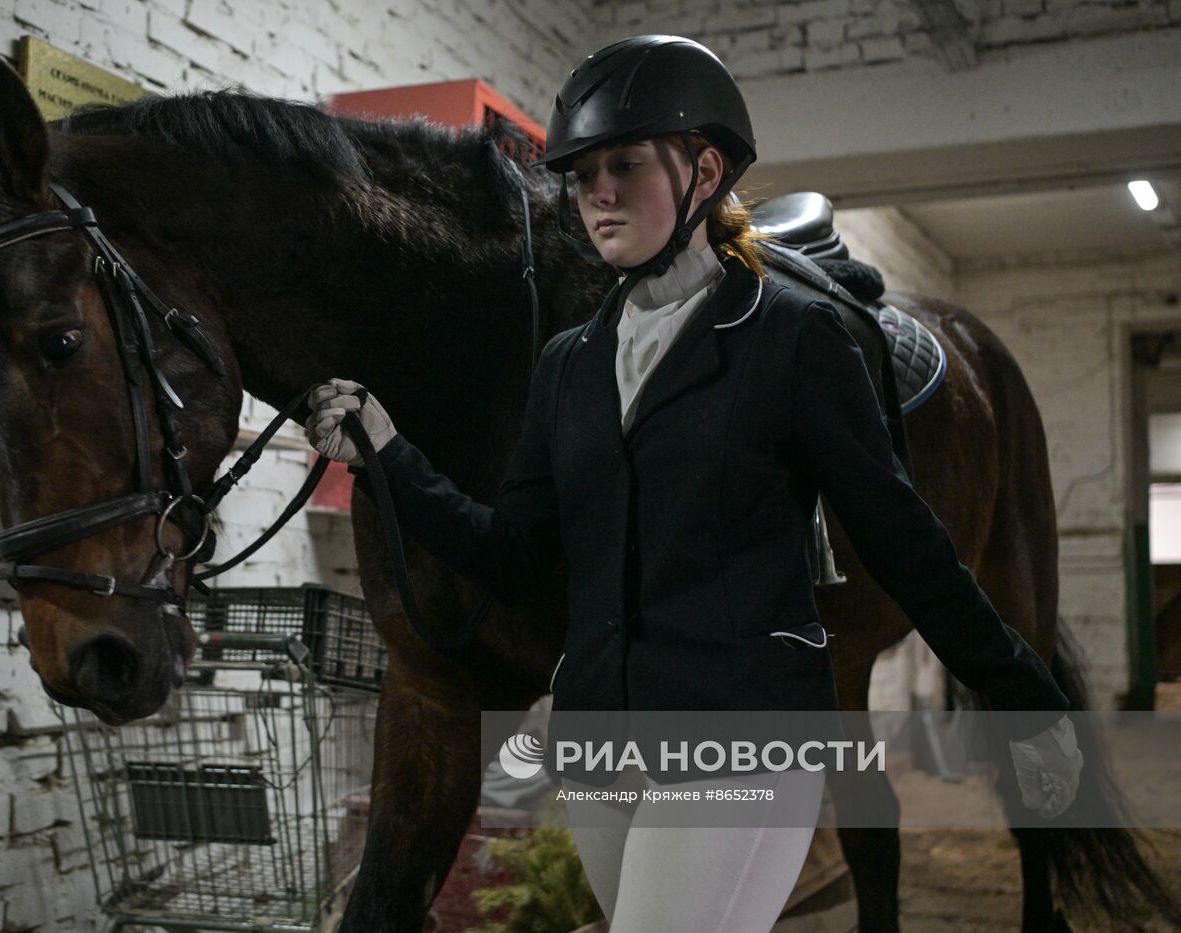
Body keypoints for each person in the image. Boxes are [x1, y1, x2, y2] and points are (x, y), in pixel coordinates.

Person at [305, 35, 1083, 932]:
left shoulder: (794, 340)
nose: (596, 191)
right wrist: (391, 455)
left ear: (703, 170)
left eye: (625, 164)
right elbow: (513, 555)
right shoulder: (570, 364)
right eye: (582, 171)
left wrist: (1030, 698)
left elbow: (907, 544)